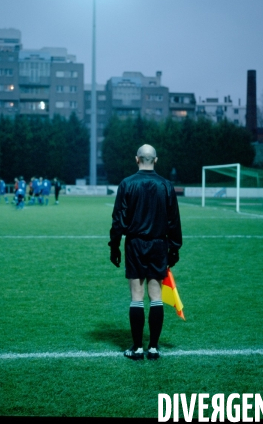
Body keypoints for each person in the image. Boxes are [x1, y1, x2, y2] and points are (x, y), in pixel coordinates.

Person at [108, 144, 182, 361]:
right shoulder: (166, 185)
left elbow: (118, 220)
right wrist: (174, 248)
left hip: (135, 245)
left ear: (137, 159)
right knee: (156, 296)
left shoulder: (127, 184)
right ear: (155, 160)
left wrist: (114, 246)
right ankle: (154, 348)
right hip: (159, 245)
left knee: (137, 297)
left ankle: (138, 349)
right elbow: (174, 221)